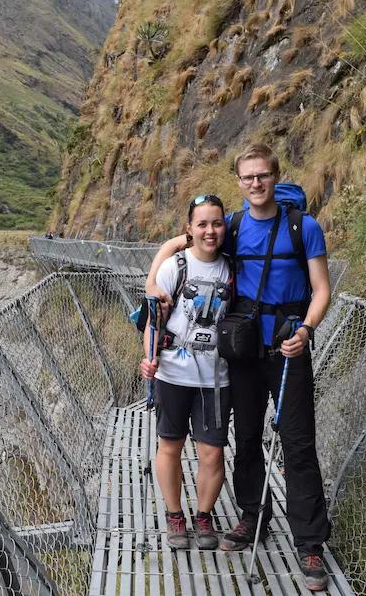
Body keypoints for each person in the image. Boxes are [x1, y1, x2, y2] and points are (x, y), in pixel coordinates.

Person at [144, 144, 332, 591]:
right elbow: (184, 240)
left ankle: (310, 542)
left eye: (262, 175)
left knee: (299, 445)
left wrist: (305, 330)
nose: (255, 183)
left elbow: (322, 289)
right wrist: (154, 283)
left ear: (274, 175)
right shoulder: (233, 225)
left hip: (289, 348)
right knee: (246, 439)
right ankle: (253, 517)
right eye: (247, 177)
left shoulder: (303, 227)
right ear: (240, 181)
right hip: (243, 354)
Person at [139, 194, 233, 550]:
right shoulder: (173, 268)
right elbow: (154, 321)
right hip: (173, 373)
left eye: (217, 223)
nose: (210, 231)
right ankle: (175, 515)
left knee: (212, 452)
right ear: (189, 229)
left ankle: (204, 515)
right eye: (202, 224)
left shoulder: (232, 267)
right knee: (170, 445)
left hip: (215, 376)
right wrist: (147, 357)